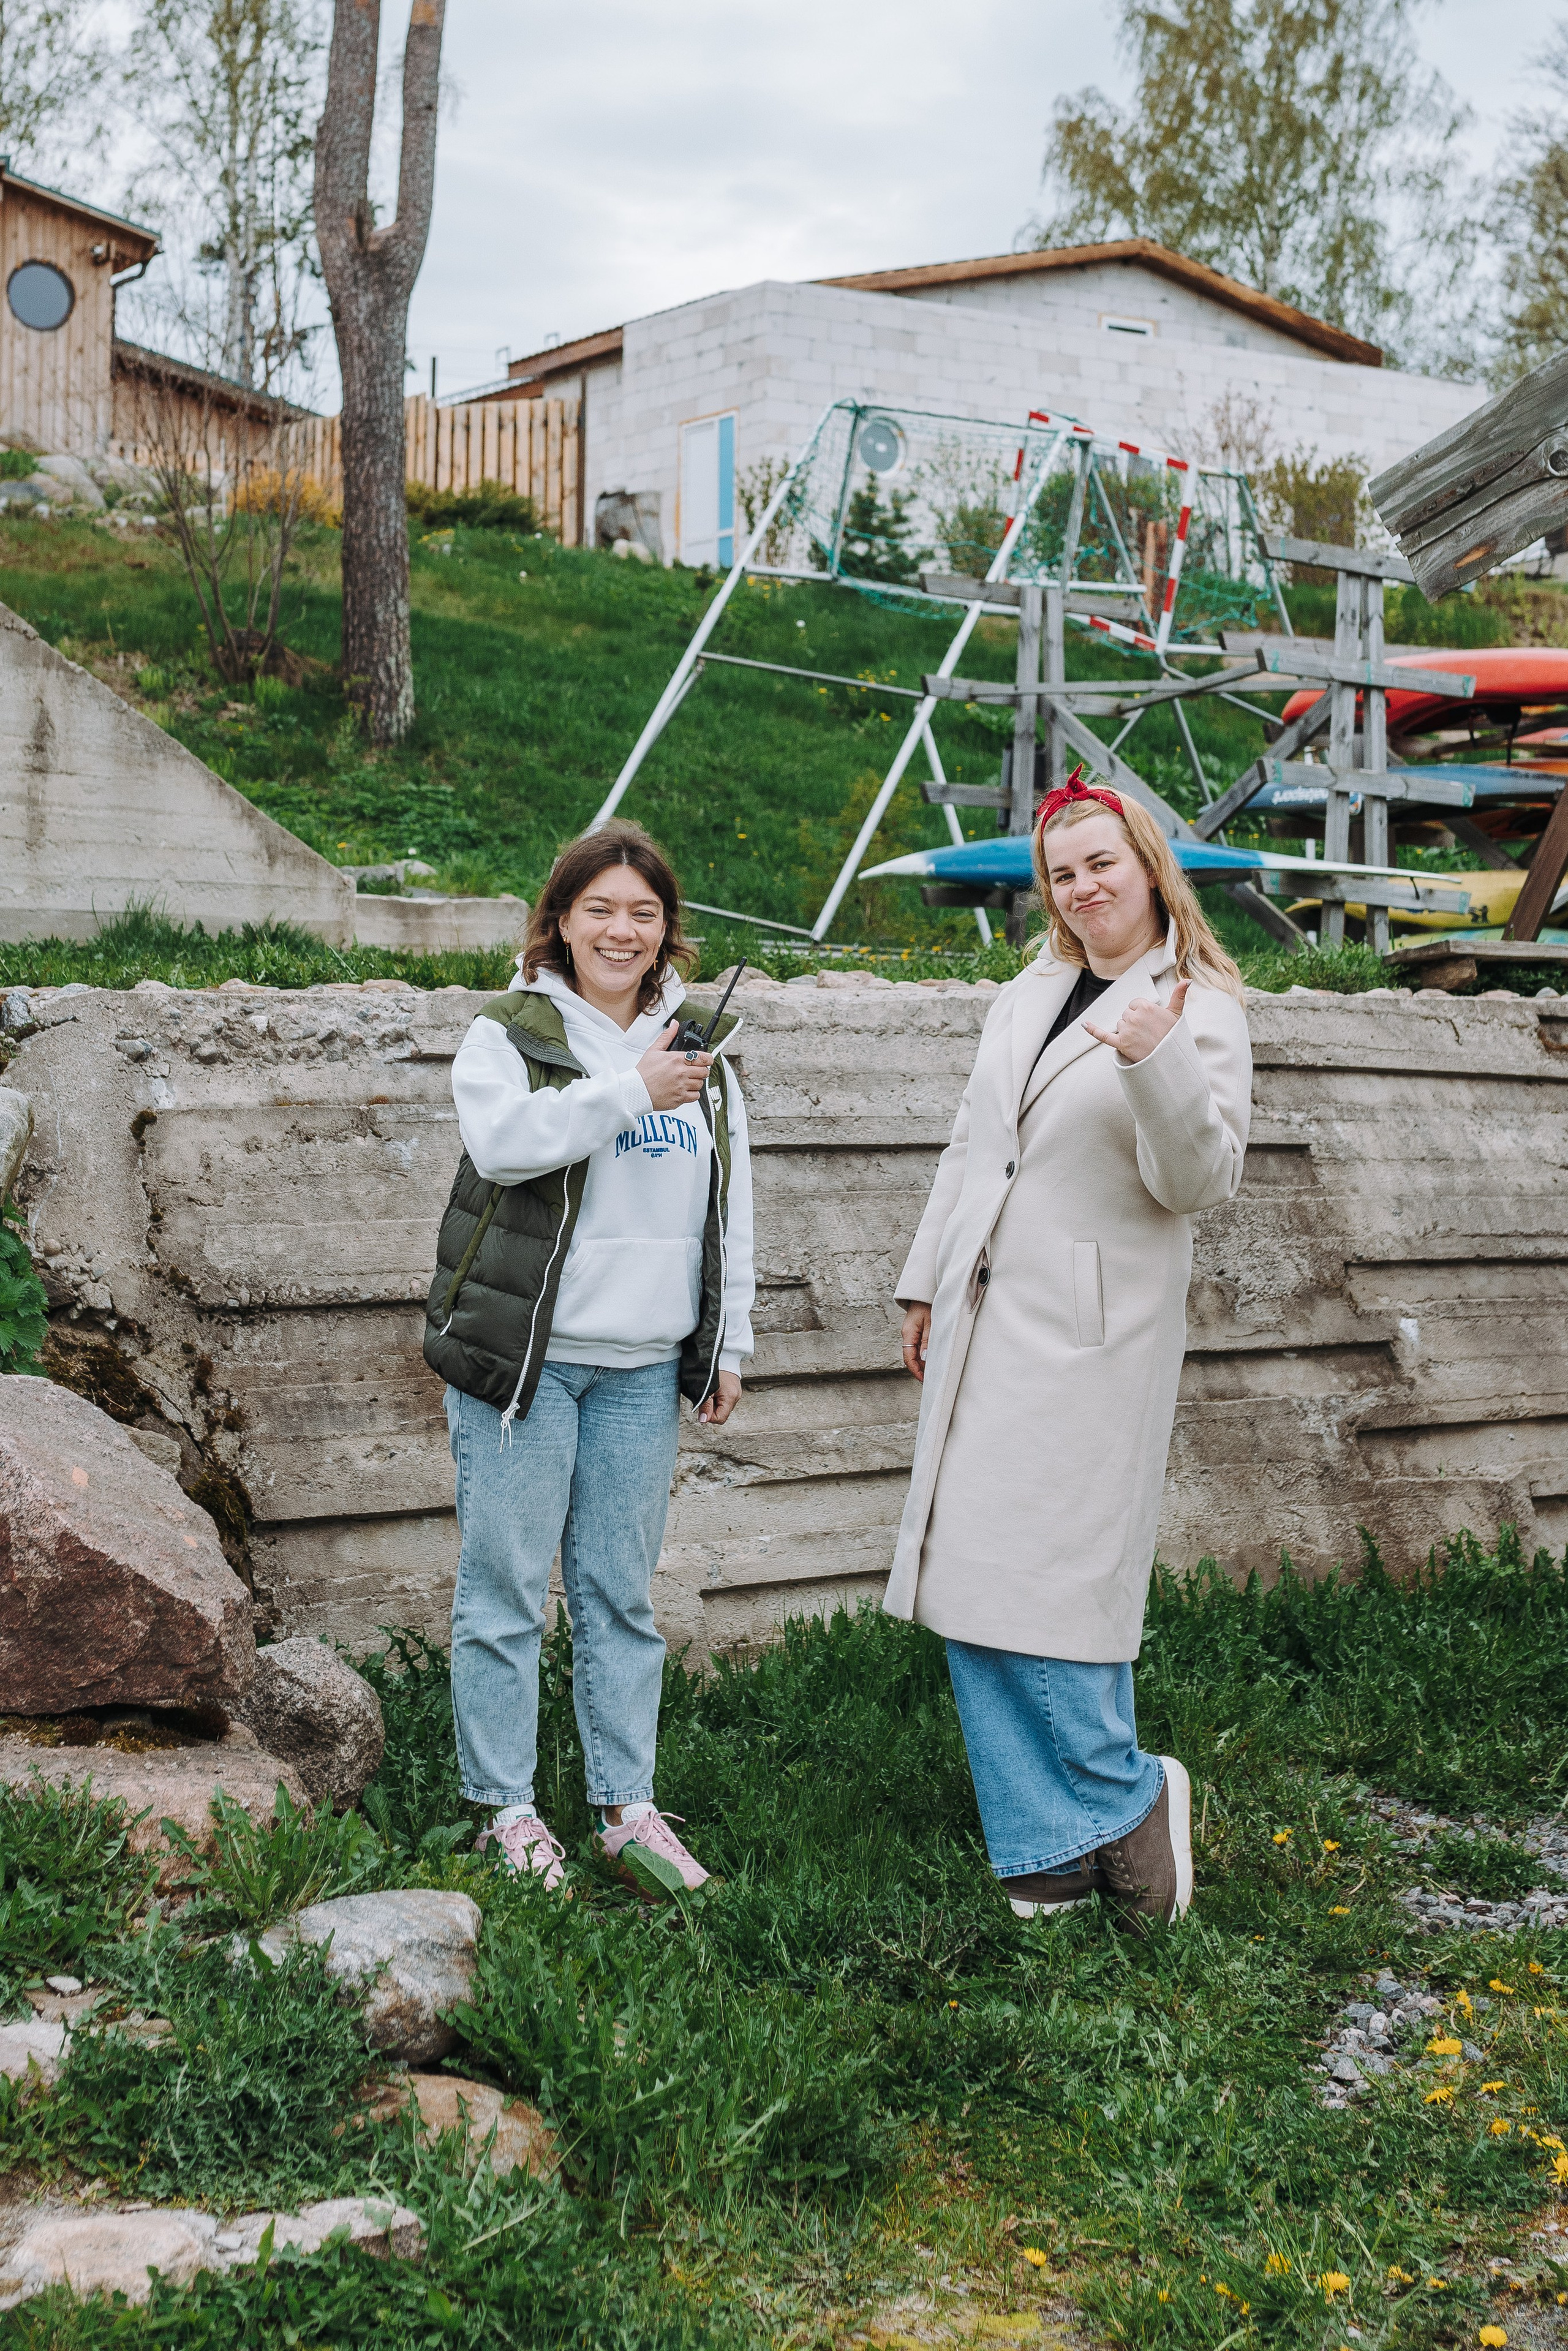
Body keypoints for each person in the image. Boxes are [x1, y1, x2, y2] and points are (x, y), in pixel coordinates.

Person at [885, 773, 1251, 1928]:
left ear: (1148, 863)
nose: (1084, 886)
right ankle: (1043, 1848)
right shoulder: (1028, 989)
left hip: (1094, 1333)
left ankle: (1128, 1800)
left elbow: (1200, 1183)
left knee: (1057, 1585)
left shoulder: (1198, 1008)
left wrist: (1157, 1060)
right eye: (1063, 871)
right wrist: (923, 1278)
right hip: (987, 1316)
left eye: (1103, 862)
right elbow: (971, 1145)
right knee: (968, 1574)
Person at [423, 820, 755, 1895]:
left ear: (668, 933)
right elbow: (505, 1143)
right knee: (507, 1588)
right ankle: (505, 1812)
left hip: (642, 1368)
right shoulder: (507, 1033)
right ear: (561, 918)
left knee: (619, 1595)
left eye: (644, 913)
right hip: (530, 1360)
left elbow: (731, 1206)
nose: (622, 929)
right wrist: (627, 1092)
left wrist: (728, 1342)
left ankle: (627, 1808)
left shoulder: (701, 1054)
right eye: (601, 908)